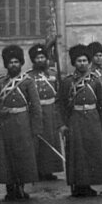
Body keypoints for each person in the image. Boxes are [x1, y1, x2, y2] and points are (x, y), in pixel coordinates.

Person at [0, 45, 43, 200]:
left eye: (16, 62)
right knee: (7, 156)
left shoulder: (27, 82)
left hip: (23, 123)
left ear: (21, 63)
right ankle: (10, 188)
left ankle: (21, 187)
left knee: (23, 156)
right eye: (10, 62)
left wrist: (36, 127)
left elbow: (36, 106)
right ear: (6, 64)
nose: (13, 65)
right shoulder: (0, 82)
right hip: (7, 123)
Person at [58, 43, 102, 198]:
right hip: (75, 120)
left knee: (91, 153)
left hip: (92, 120)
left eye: (85, 61)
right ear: (74, 63)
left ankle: (88, 184)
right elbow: (61, 105)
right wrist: (62, 124)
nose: (82, 64)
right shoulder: (67, 82)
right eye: (79, 61)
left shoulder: (95, 80)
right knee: (76, 154)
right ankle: (77, 185)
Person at [26, 43, 65, 182]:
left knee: (51, 139)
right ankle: (37, 169)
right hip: (36, 111)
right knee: (37, 141)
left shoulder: (54, 74)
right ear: (33, 60)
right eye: (38, 58)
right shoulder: (28, 76)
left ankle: (49, 170)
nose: (41, 60)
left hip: (51, 111)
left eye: (43, 57)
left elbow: (60, 94)